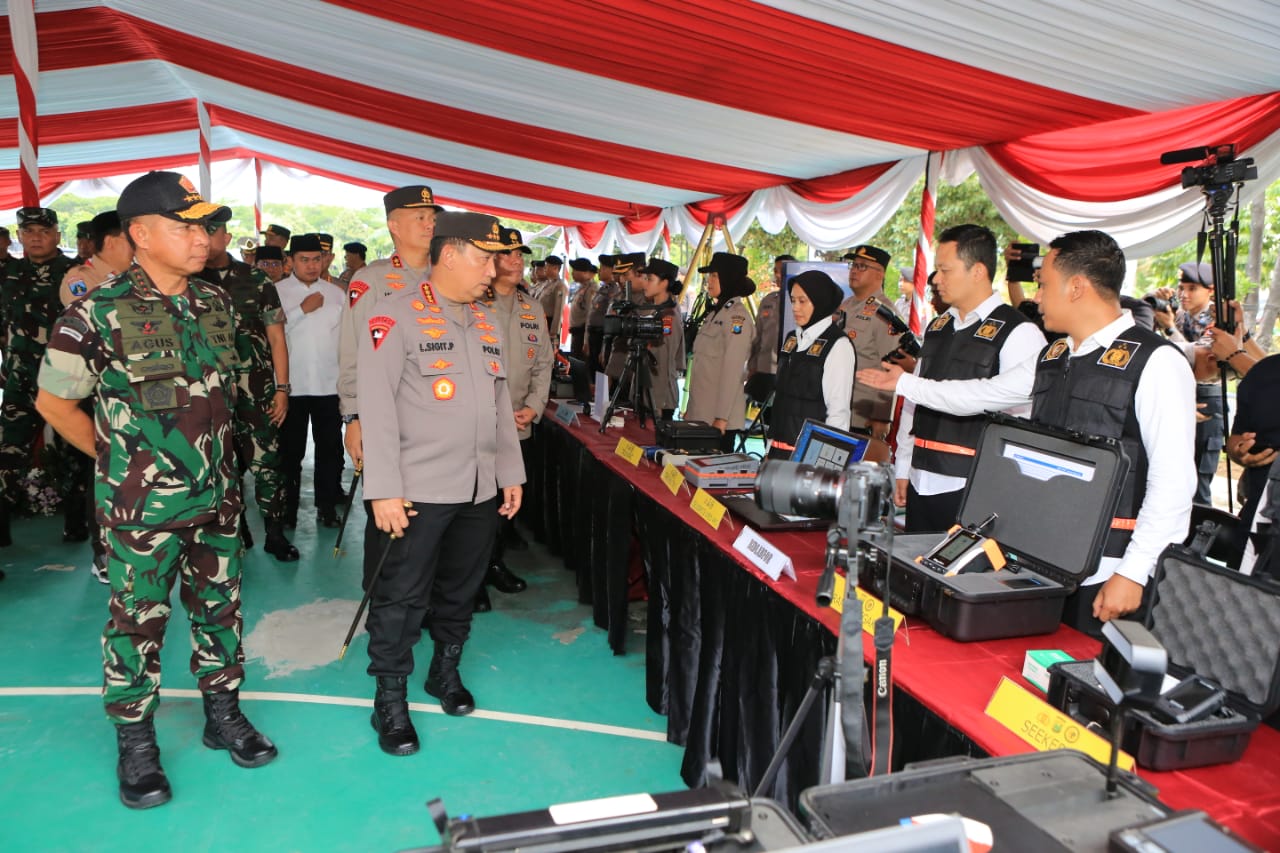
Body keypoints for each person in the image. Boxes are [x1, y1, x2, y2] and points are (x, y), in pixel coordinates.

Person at [36, 171, 277, 809]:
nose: (202, 239)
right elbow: (54, 403)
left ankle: (222, 711)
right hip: (142, 508)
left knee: (220, 609)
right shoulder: (96, 310)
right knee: (137, 621)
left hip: (218, 498)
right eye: (185, 226)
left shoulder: (215, 304)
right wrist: (115, 460)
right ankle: (136, 740)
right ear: (140, 234)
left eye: (204, 226)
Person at [859, 230, 1194, 631]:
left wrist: (1135, 571)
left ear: (1077, 287)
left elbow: (1173, 481)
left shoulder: (1155, 362)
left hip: (1109, 565)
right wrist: (904, 384)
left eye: (1043, 285)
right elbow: (983, 395)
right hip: (1044, 555)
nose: (1036, 297)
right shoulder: (1055, 354)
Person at [357, 211, 524, 755]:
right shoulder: (392, 316)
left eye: (498, 259)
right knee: (401, 597)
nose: (493, 270)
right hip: (417, 490)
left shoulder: (485, 320)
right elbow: (376, 409)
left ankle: (443, 673)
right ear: (449, 255)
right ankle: (390, 699)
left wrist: (509, 472)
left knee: (461, 589)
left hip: (478, 488)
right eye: (484, 258)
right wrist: (382, 488)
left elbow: (499, 404)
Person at [879, 224, 1045, 533]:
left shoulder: (1019, 332)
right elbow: (915, 400)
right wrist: (903, 465)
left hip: (975, 487)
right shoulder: (938, 326)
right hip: (920, 479)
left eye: (945, 270)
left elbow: (1023, 423)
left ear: (978, 271)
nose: (936, 279)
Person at [200, 211, 297, 561]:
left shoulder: (256, 279)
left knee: (268, 461)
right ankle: (235, 529)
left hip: (256, 389)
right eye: (202, 232)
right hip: (206, 394)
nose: (208, 239)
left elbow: (276, 336)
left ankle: (274, 531)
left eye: (215, 233)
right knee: (221, 463)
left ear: (227, 238)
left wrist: (282, 388)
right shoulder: (186, 280)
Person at [474, 226, 554, 608]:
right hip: (473, 423)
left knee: (505, 500)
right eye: (508, 254)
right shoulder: (471, 302)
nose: (518, 261)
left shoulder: (531, 307)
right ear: (491, 260)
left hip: (516, 423)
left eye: (520, 255)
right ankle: (468, 577)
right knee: (473, 502)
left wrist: (534, 407)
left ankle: (493, 564)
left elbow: (543, 364)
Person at [336, 184, 442, 471]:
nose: (429, 224)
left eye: (432, 218)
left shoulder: (448, 276)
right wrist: (353, 418)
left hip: (442, 415)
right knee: (390, 507)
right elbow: (352, 350)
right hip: (389, 417)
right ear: (394, 225)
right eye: (420, 217)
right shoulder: (372, 280)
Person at [59, 210, 135, 582]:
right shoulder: (81, 280)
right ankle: (101, 552)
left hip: (135, 393)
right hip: (99, 391)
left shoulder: (138, 278)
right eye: (131, 238)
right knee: (103, 470)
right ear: (113, 241)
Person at [0, 206, 76, 546]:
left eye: (43, 231)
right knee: (8, 453)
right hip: (19, 382)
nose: (35, 237)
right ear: (19, 237)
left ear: (58, 236)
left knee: (73, 452)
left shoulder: (73, 274)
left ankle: (77, 524)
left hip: (64, 382)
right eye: (28, 232)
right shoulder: (8, 274)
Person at [276, 233, 345, 528]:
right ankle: (288, 510)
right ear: (291, 260)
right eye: (305, 260)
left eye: (317, 259)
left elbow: (346, 342)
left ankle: (326, 507)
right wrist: (301, 311)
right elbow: (271, 333)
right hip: (292, 387)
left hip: (329, 386)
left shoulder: (337, 295)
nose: (312, 266)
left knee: (330, 451)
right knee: (290, 454)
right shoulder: (276, 291)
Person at [767, 270, 854, 457]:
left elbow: (838, 412)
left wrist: (827, 464)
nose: (795, 308)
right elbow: (781, 400)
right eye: (793, 300)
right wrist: (768, 451)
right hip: (778, 452)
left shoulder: (838, 345)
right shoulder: (791, 339)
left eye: (802, 301)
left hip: (808, 458)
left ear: (820, 301)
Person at [685, 252, 755, 450]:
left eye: (715, 275)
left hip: (718, 419)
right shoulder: (715, 314)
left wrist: (722, 417)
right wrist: (691, 409)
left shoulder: (737, 319)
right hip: (702, 412)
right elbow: (702, 367)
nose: (709, 280)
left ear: (728, 278)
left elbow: (733, 372)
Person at [836, 245, 905, 439]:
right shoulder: (845, 306)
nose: (854, 270)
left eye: (862, 266)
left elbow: (892, 366)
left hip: (861, 416)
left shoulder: (885, 314)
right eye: (853, 265)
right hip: (836, 409)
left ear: (880, 274)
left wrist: (882, 418)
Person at [636, 258, 686, 420]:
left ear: (664, 283)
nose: (645, 284)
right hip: (649, 393)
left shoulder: (668, 317)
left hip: (659, 399)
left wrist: (656, 404)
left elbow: (663, 362)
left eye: (650, 279)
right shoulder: (657, 311)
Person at [745, 254, 791, 405]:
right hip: (762, 369)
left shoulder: (801, 304)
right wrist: (752, 366)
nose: (777, 274)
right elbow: (757, 336)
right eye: (775, 270)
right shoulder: (768, 300)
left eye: (782, 270)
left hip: (786, 373)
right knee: (748, 414)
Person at [584, 254, 617, 369]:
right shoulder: (603, 288)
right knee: (591, 369)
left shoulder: (615, 290)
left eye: (603, 268)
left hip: (601, 335)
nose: (599, 270)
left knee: (599, 371)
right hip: (593, 334)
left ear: (612, 270)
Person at [566, 257, 597, 359]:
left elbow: (590, 315)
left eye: (575, 270)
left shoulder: (591, 289)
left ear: (584, 272)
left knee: (580, 363)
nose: (572, 273)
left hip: (582, 333)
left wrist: (586, 341)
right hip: (577, 332)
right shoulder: (582, 287)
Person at [540, 254, 568, 341]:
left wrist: (554, 332)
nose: (544, 269)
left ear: (555, 268)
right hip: (541, 322)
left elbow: (558, 310)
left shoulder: (559, 286)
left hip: (549, 322)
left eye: (547, 266)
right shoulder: (546, 284)